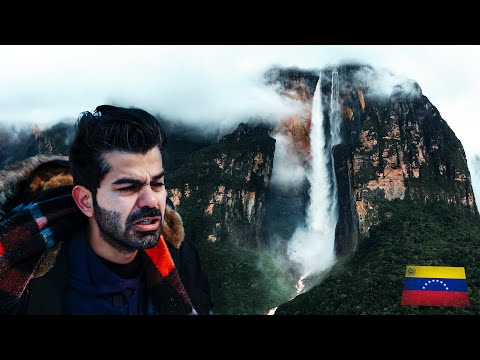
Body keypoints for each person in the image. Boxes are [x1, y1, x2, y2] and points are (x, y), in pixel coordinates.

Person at [0, 105, 213, 315]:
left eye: (157, 184)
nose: (151, 200)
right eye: (129, 187)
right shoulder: (26, 275)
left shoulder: (181, 258)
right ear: (85, 201)